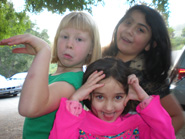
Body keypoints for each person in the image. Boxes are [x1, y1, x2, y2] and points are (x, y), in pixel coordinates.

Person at [0, 11, 101, 139]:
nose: (69, 44)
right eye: (64, 36)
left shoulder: (72, 82)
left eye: (79, 39)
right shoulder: (55, 77)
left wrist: (43, 51)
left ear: (91, 48)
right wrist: (40, 55)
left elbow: (29, 108)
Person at [102, 5, 185, 133]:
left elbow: (178, 117)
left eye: (140, 29)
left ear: (149, 45)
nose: (129, 30)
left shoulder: (148, 78)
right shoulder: (100, 60)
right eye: (128, 22)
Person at [49, 57, 175, 138]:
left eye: (118, 97)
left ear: (128, 95)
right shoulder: (76, 125)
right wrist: (74, 99)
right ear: (88, 95)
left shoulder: (138, 124)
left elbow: (166, 134)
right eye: (100, 97)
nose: (109, 107)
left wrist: (144, 98)